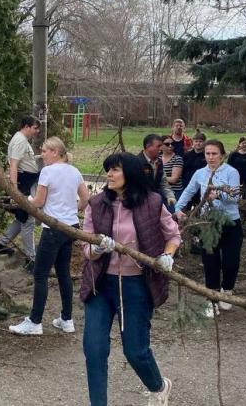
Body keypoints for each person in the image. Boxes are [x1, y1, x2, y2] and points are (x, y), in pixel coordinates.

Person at [80, 153, 179, 406]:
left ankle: (159, 386)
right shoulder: (97, 203)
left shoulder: (153, 203)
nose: (109, 175)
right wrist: (98, 248)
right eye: (107, 170)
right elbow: (86, 248)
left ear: (130, 174)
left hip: (136, 285)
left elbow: (173, 236)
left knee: (135, 351)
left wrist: (167, 256)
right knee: (94, 349)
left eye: (114, 170)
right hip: (100, 283)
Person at [9, 137, 89, 336]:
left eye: (44, 151)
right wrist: (73, 209)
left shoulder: (48, 172)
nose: (41, 154)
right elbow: (86, 198)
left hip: (53, 228)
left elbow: (38, 202)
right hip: (70, 227)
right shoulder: (75, 171)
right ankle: (67, 319)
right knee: (63, 273)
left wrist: (25, 199)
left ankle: (35, 322)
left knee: (40, 274)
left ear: (55, 151)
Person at [176, 140, 243, 317]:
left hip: (230, 223)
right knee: (210, 261)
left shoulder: (231, 172)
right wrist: (178, 209)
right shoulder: (200, 173)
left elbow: (235, 197)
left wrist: (219, 195)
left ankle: (227, 291)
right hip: (208, 223)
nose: (211, 157)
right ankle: (211, 297)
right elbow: (189, 191)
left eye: (214, 154)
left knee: (231, 261)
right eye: (207, 153)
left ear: (222, 155)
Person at [0, 116, 41, 270]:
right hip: (22, 183)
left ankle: (1, 244)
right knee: (28, 221)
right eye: (35, 128)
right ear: (26, 126)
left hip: (25, 181)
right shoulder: (20, 140)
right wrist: (14, 188)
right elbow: (14, 165)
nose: (37, 131)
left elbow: (24, 160)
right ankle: (30, 259)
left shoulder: (21, 139)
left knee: (22, 218)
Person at [137, 134, 177, 210]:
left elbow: (163, 183)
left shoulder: (159, 162)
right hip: (141, 204)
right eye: (158, 146)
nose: (161, 149)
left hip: (156, 201)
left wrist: (170, 196)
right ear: (148, 146)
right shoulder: (136, 163)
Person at [181, 132, 207, 196]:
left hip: (201, 186)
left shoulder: (207, 156)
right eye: (196, 141)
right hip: (187, 184)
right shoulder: (187, 155)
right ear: (193, 142)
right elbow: (183, 170)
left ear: (204, 142)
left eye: (200, 141)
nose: (198, 143)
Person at [159, 135, 184, 202]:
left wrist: (157, 177)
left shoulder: (177, 159)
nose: (170, 146)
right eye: (167, 144)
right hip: (160, 191)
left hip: (175, 191)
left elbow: (174, 179)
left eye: (172, 144)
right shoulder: (157, 158)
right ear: (161, 146)